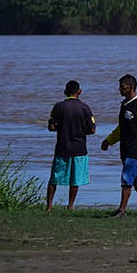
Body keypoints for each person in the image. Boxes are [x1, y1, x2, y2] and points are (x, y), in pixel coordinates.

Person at [100, 73, 137, 216]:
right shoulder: (124, 105)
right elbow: (121, 128)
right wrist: (109, 140)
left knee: (126, 178)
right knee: (134, 177)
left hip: (136, 148)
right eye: (120, 87)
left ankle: (122, 210)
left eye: (123, 87)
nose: (120, 90)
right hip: (125, 147)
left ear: (131, 87)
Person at [45, 80, 94, 212]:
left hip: (62, 147)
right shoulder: (85, 108)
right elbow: (92, 130)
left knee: (54, 178)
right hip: (79, 149)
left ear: (65, 92)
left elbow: (51, 126)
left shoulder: (59, 107)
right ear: (79, 92)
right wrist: (80, 131)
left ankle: (49, 206)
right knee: (75, 180)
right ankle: (70, 205)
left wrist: (62, 128)